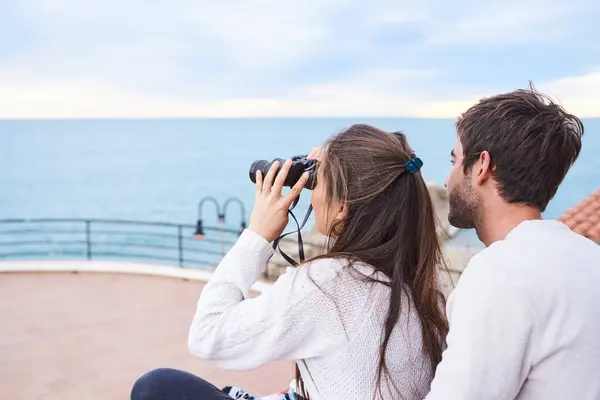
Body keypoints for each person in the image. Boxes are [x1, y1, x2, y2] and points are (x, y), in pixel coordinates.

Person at [131, 124, 449, 399]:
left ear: (342, 208)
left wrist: (257, 235)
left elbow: (207, 336)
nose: (311, 193)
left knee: (157, 386)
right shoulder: (423, 284)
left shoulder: (329, 283)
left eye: (317, 181)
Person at [424, 85, 600, 399]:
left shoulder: (500, 274)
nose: (449, 178)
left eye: (455, 161)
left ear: (482, 166)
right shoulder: (591, 258)